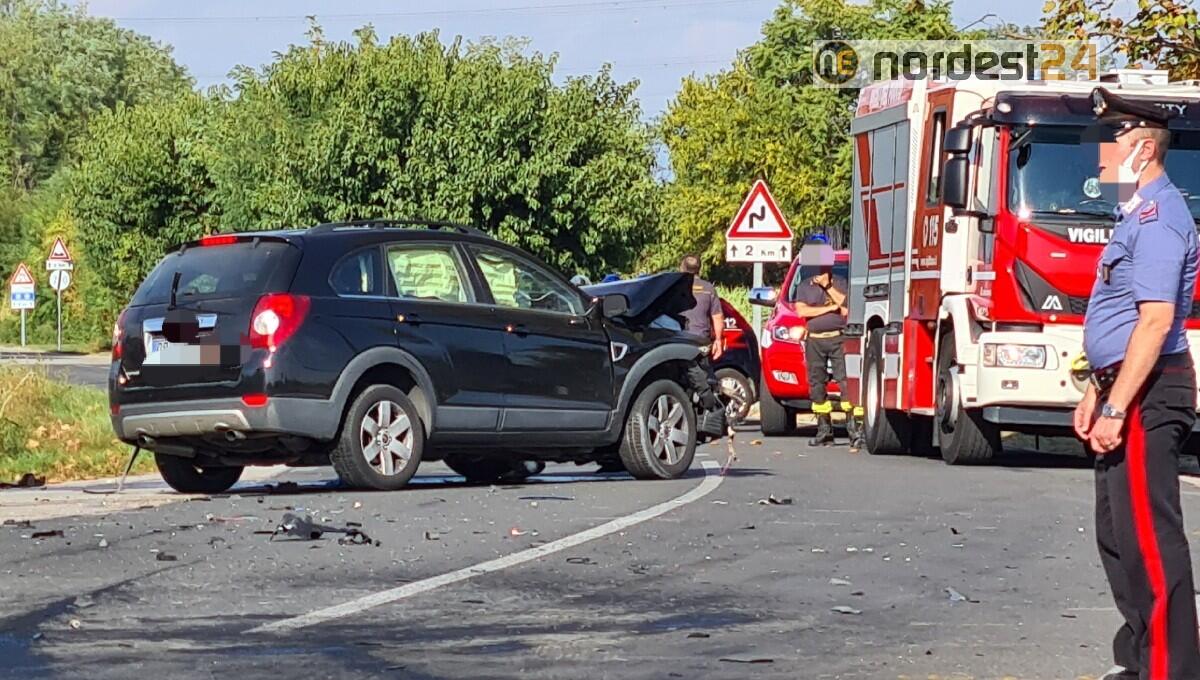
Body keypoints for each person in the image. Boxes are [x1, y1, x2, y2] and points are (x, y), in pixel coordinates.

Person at [1074, 88, 1200, 680]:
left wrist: (1119, 405)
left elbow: (1154, 322)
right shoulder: (1134, 217)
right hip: (1126, 387)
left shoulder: (1158, 218)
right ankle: (1141, 658)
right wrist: (1096, 389)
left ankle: (1170, 670)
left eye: (1111, 143)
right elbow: (1121, 319)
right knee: (1118, 537)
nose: (1099, 157)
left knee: (1151, 538)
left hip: (1151, 393)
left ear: (1143, 149)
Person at [791, 238, 863, 452]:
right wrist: (828, 309)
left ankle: (854, 431)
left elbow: (846, 307)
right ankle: (824, 431)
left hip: (839, 338)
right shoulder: (804, 286)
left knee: (845, 384)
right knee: (816, 385)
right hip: (815, 340)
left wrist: (828, 287)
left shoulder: (839, 283)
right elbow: (802, 311)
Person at [678, 254, 726, 439]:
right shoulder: (708, 288)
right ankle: (707, 419)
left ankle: (689, 420)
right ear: (699, 269)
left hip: (680, 340)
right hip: (702, 342)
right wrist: (719, 340)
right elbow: (717, 317)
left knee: (684, 381)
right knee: (704, 379)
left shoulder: (676, 288)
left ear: (682, 268)